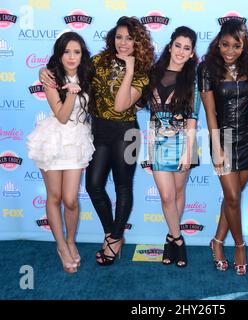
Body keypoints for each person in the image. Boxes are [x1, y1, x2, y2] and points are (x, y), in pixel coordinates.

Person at [40, 16, 154, 266]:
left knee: (124, 186)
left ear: (139, 42)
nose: (123, 42)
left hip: (128, 134)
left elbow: (121, 104)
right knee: (93, 185)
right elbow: (70, 71)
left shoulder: (144, 71)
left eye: (129, 38)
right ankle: (111, 234)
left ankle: (114, 240)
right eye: (119, 36)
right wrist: (44, 71)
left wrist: (131, 68)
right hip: (98, 131)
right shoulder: (98, 61)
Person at [117, 26, 199, 268]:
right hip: (158, 141)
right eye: (178, 46)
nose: (181, 52)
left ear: (192, 53)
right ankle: (178, 240)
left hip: (185, 141)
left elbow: (193, 117)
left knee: (179, 193)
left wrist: (187, 151)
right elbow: (137, 103)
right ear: (170, 45)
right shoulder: (153, 73)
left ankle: (169, 239)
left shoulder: (191, 79)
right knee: (167, 196)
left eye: (187, 48)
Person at [28, 31, 95, 273]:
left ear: (82, 55)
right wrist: (72, 92)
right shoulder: (50, 77)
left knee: (70, 199)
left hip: (77, 141)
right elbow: (62, 116)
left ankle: (70, 240)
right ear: (59, 53)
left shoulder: (88, 74)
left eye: (76, 52)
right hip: (53, 140)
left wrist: (78, 87)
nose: (71, 56)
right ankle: (61, 246)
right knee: (54, 197)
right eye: (66, 51)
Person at [198, 19, 248, 275]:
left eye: (236, 46)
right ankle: (240, 245)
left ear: (244, 46)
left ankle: (216, 241)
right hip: (221, 138)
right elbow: (210, 112)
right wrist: (216, 145)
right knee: (233, 197)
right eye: (225, 45)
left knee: (232, 199)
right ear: (218, 42)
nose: (230, 51)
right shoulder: (206, 69)